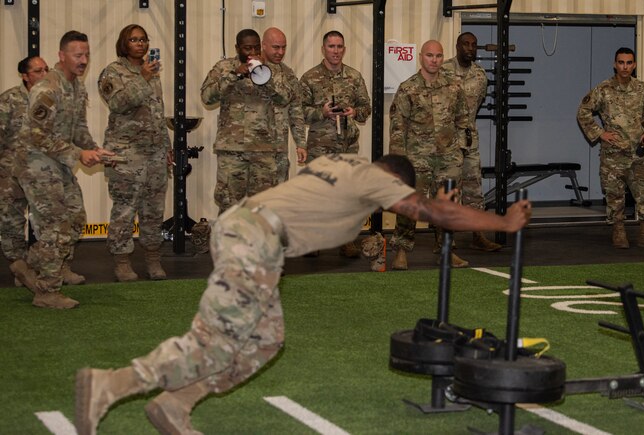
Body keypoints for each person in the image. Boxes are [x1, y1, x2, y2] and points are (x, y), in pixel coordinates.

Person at [74, 153, 532, 435]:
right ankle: (110, 384)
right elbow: (432, 213)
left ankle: (176, 403)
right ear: (395, 180)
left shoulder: (344, 162)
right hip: (255, 237)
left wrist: (436, 207)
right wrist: (503, 223)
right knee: (213, 340)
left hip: (253, 234)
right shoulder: (375, 179)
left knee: (265, 339)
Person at [13, 31, 115, 309]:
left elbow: (78, 128)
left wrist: (94, 150)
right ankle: (46, 292)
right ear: (61, 56)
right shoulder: (47, 88)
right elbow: (37, 135)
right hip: (35, 164)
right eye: (77, 55)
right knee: (55, 225)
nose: (83, 60)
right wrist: (78, 154)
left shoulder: (76, 87)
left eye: (86, 55)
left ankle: (28, 266)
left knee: (76, 218)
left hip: (58, 163)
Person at [98, 24, 173, 282]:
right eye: (134, 40)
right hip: (125, 154)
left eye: (143, 40)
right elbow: (118, 103)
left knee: (154, 209)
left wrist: (167, 147)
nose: (140, 44)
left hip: (154, 152)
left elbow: (157, 113)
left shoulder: (152, 74)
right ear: (124, 43)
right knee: (125, 209)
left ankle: (153, 258)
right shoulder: (112, 72)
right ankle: (122, 261)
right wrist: (142, 77)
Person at [577, 47, 644, 250]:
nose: (625, 67)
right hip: (614, 154)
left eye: (629, 63)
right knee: (615, 195)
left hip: (638, 152)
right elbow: (583, 112)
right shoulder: (604, 89)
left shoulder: (641, 88)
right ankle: (618, 232)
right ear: (615, 64)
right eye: (621, 62)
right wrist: (600, 133)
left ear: (634, 65)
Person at [389, 39, 471, 270]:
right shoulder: (408, 88)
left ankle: (447, 250)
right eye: (429, 56)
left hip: (447, 158)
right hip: (417, 159)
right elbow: (397, 126)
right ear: (421, 57)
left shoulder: (453, 87)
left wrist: (461, 150)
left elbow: (463, 120)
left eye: (438, 56)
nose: (434, 60)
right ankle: (402, 251)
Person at [201, 29, 297, 215]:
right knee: (229, 205)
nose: (252, 53)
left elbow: (285, 98)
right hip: (232, 151)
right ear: (237, 48)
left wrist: (265, 76)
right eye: (247, 48)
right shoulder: (224, 67)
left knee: (262, 207)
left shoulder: (274, 69)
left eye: (255, 47)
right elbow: (207, 97)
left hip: (264, 150)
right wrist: (234, 76)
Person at [300, 30, 371, 258]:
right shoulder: (309, 78)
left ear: (344, 49)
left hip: (347, 146)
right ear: (323, 49)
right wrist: (321, 112)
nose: (336, 51)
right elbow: (298, 111)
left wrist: (355, 111)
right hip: (320, 145)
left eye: (340, 47)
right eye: (331, 46)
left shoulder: (354, 76)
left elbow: (366, 108)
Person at [442, 31, 502, 252]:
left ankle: (478, 235)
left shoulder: (480, 75)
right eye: (466, 44)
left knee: (474, 188)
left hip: (470, 139)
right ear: (457, 46)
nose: (470, 48)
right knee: (449, 188)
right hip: (447, 139)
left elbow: (476, 104)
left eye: (474, 45)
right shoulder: (444, 71)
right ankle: (447, 239)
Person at [0, 56, 48, 286]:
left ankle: (35, 264)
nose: (44, 74)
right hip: (12, 171)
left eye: (46, 70)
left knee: (52, 220)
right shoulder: (9, 100)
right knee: (11, 220)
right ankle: (19, 268)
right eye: (38, 71)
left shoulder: (51, 100)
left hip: (43, 170)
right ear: (25, 76)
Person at [261, 27, 307, 185]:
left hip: (279, 149)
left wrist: (301, 143)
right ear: (264, 45)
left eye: (283, 47)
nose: (280, 52)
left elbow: (296, 110)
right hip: (253, 147)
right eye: (276, 47)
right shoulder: (252, 70)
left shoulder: (288, 74)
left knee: (278, 195)